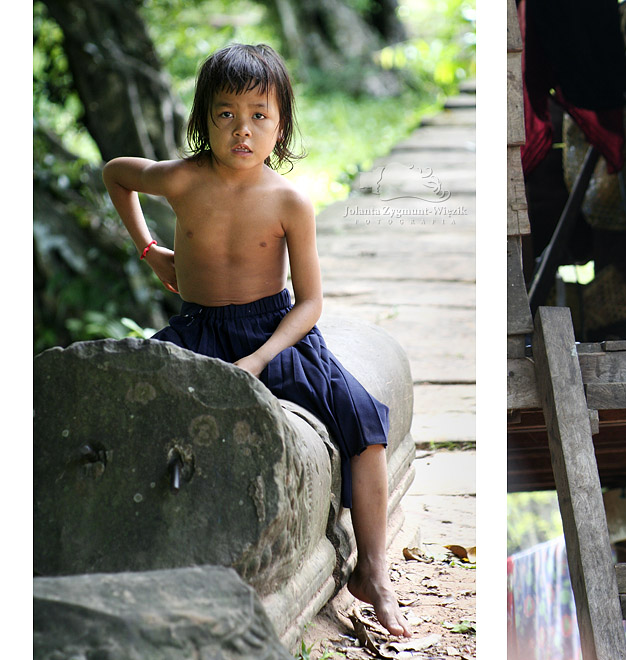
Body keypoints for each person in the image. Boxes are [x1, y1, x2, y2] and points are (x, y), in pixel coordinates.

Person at [102, 43, 411, 637]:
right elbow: (118, 175)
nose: (242, 130)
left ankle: (372, 570)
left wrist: (263, 356)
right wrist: (150, 252)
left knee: (364, 424)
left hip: (273, 333)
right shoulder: (181, 179)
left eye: (259, 115)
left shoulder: (288, 200)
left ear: (280, 124)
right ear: (203, 120)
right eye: (225, 115)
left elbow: (311, 301)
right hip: (197, 329)